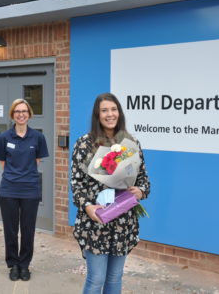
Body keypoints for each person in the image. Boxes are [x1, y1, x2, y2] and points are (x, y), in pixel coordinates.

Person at [71, 92, 150, 294]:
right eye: (104, 110)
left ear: (119, 113)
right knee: (96, 279)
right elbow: (77, 184)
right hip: (96, 220)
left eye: (113, 109)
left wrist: (140, 191)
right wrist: (87, 207)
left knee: (115, 278)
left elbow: (143, 179)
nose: (110, 114)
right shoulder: (84, 144)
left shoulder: (131, 143)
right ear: (97, 115)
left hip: (123, 220)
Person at [0, 98, 49, 281]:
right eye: (17, 111)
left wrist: (24, 175)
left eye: (24, 111)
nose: (21, 114)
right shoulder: (4, 138)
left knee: (28, 230)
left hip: (30, 190)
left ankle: (24, 265)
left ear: (29, 114)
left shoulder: (38, 137)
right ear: (12, 114)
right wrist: (16, 174)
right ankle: (13, 264)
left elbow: (37, 162)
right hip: (9, 189)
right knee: (10, 230)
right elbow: (3, 163)